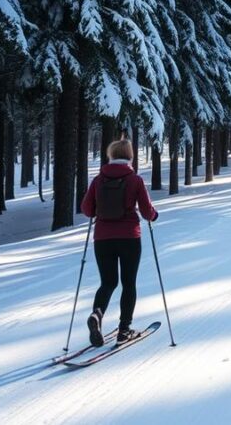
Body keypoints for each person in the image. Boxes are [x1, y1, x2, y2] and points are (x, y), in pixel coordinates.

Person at [81, 139, 158, 345]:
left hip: (103, 238)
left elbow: (87, 210)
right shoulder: (135, 180)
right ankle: (124, 330)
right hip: (129, 237)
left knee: (108, 282)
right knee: (128, 283)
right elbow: (146, 212)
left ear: (111, 156)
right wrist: (154, 215)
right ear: (130, 156)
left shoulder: (98, 180)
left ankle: (97, 314)